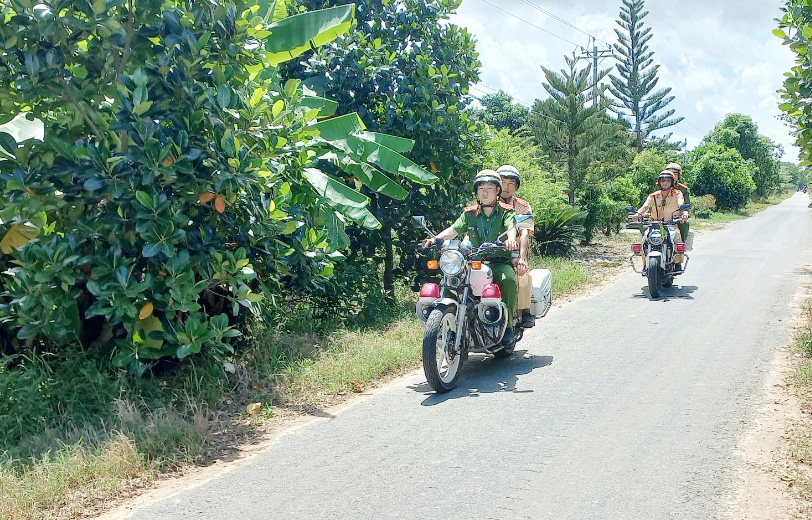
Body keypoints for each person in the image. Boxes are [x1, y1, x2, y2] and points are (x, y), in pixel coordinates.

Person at [422, 169, 520, 346]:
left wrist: (511, 240)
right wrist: (434, 239)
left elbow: (511, 227)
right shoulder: (469, 214)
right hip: (473, 262)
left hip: (498, 262)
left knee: (509, 281)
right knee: (450, 282)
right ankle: (448, 321)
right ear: (476, 191)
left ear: (497, 191)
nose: (484, 192)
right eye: (481, 188)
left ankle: (508, 327)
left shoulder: (506, 212)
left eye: (489, 188)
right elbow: (453, 230)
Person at [497, 164, 535, 328]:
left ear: (516, 186)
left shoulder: (523, 206)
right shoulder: (487, 203)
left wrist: (521, 257)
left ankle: (525, 311)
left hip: (514, 249)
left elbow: (525, 232)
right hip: (489, 249)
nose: (506, 187)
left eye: (511, 183)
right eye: (503, 182)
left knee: (522, 275)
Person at [634, 170, 689, 270]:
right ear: (659, 182)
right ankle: (645, 264)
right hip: (654, 224)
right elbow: (645, 206)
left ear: (671, 182)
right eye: (663, 180)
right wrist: (637, 214)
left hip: (671, 224)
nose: (665, 182)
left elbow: (681, 203)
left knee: (677, 239)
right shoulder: (653, 195)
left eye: (668, 180)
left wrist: (685, 212)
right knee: (644, 241)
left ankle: (677, 263)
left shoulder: (677, 193)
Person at [664, 162, 691, 245]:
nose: (672, 176)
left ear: (679, 176)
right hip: (659, 216)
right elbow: (651, 200)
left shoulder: (682, 189)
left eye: (675, 174)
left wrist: (685, 213)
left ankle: (680, 248)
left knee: (684, 224)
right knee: (643, 225)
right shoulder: (658, 186)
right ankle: (644, 248)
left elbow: (685, 204)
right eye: (669, 173)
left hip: (675, 217)